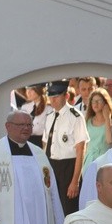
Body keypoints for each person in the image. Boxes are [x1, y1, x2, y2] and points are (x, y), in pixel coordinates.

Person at [42, 81, 89, 216]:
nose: (53, 100)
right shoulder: (50, 117)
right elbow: (45, 145)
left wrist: (75, 181)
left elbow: (81, 149)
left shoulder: (75, 116)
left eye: (56, 96)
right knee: (51, 211)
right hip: (51, 166)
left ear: (66, 96)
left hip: (68, 167)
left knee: (68, 210)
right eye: (51, 97)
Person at [81, 89, 112, 174]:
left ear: (106, 103)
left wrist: (107, 119)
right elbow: (84, 145)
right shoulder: (87, 121)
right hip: (89, 162)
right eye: (93, 101)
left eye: (99, 101)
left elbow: (109, 140)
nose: (95, 104)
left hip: (105, 162)